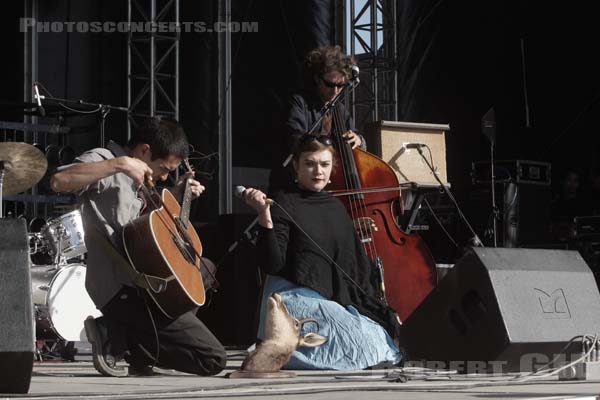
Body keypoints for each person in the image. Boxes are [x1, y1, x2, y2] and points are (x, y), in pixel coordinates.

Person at [50, 117, 226, 377]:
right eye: (164, 168)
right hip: (122, 287)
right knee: (212, 360)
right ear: (143, 151)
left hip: (146, 284)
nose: (165, 176)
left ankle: (132, 342)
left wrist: (177, 194)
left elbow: (147, 232)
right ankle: (120, 336)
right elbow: (59, 180)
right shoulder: (106, 159)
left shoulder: (143, 180)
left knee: (203, 269)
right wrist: (119, 164)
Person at [244, 135, 402, 370]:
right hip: (292, 297)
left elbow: (351, 266)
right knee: (355, 341)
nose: (318, 171)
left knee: (377, 337)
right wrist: (264, 217)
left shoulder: (335, 207)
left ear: (332, 169)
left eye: (324, 164)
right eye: (309, 163)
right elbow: (272, 264)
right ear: (296, 167)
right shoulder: (284, 201)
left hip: (329, 297)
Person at [269, 45, 366, 192]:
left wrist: (358, 140)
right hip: (293, 186)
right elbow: (295, 137)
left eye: (340, 85)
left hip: (327, 188)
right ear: (316, 78)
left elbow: (357, 138)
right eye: (329, 84)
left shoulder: (340, 110)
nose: (335, 91)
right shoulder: (299, 102)